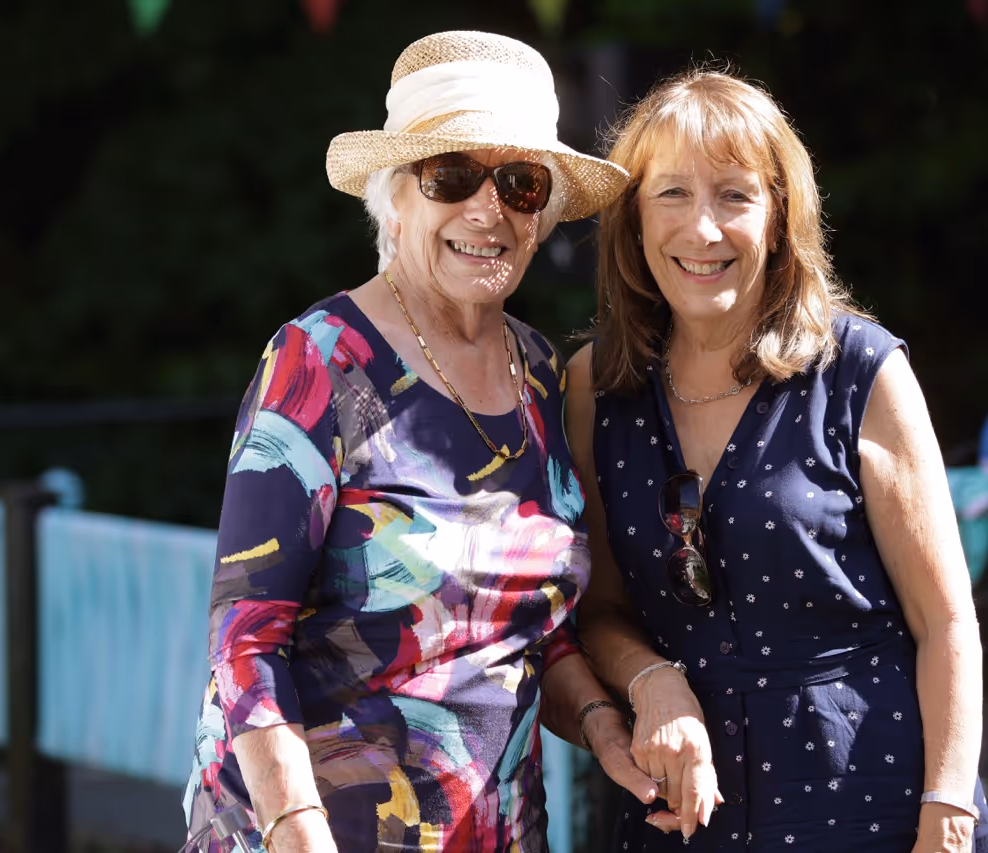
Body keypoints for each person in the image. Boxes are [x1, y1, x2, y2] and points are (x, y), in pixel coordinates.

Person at [181, 31, 655, 853]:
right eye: (450, 176)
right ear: (393, 197)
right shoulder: (320, 361)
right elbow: (245, 638)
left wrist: (608, 724)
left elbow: (534, 631)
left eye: (518, 182)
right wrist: (298, 830)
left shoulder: (542, 372)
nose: (487, 209)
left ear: (542, 215)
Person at [567, 68, 988, 852]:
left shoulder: (861, 370)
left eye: (734, 194)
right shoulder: (595, 388)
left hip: (878, 806)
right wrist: (651, 680)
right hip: (687, 817)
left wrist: (949, 811)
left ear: (777, 216)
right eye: (671, 194)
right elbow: (596, 611)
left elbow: (945, 623)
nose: (703, 229)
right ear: (631, 220)